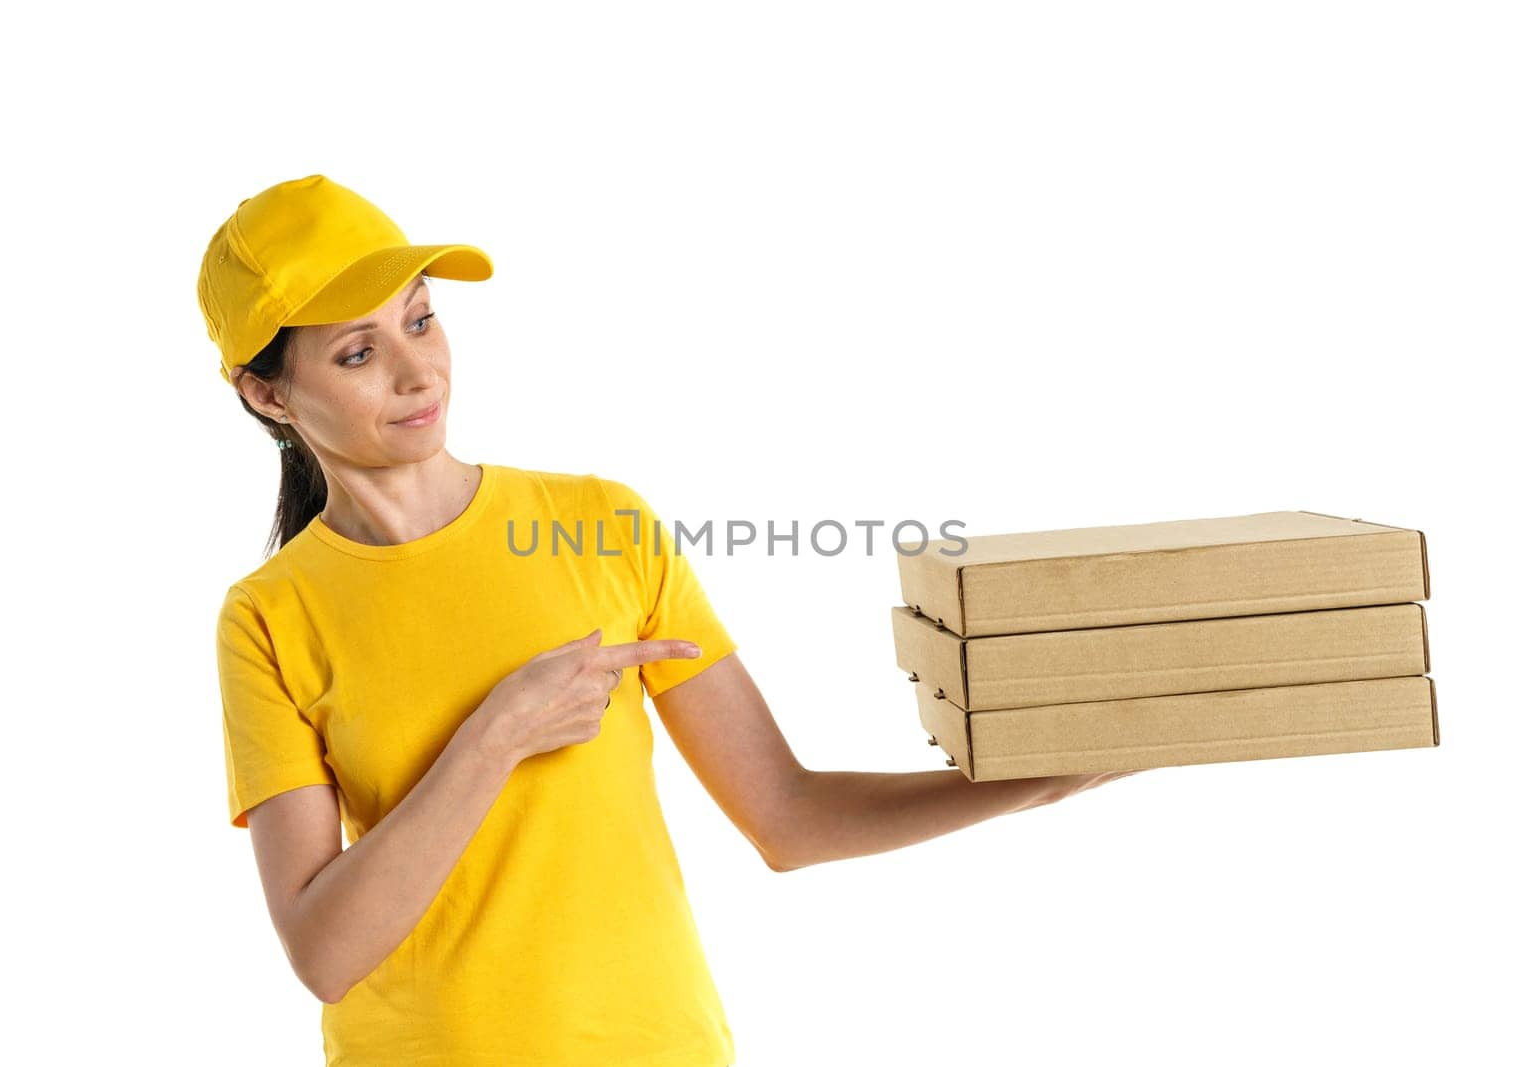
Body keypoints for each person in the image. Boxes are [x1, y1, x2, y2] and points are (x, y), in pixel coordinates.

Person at [199, 173, 1139, 1067]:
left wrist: (1031, 784)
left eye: (421, 319)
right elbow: (324, 951)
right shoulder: (268, 616)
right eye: (358, 353)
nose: (417, 372)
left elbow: (788, 817)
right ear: (268, 393)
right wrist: (496, 736)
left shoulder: (599, 524)